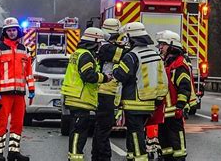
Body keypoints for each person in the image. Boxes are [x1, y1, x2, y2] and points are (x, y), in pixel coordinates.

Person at [112, 22, 168, 161]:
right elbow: (163, 80)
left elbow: (120, 75)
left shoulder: (131, 56)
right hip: (150, 103)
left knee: (135, 134)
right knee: (136, 133)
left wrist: (114, 68)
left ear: (131, 38)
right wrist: (159, 99)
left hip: (133, 103)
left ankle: (140, 158)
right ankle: (132, 157)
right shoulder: (156, 55)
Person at [61, 27, 112, 161]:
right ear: (94, 41)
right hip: (80, 99)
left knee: (77, 130)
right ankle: (75, 157)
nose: (100, 46)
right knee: (79, 131)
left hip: (75, 98)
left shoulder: (78, 53)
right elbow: (88, 75)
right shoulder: (86, 55)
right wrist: (104, 77)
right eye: (99, 43)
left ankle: (74, 156)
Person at [0, 17, 34, 161]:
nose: (11, 33)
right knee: (1, 123)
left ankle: (13, 151)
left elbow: (28, 72)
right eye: (9, 30)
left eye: (13, 30)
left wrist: (32, 89)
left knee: (18, 123)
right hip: (3, 94)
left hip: (20, 93)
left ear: (18, 31)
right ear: (5, 32)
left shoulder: (24, 50)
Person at [155, 30, 195, 161]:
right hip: (164, 113)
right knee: (165, 144)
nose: (160, 47)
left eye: (163, 44)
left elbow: (184, 88)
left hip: (173, 113)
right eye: (160, 44)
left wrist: (180, 107)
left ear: (172, 45)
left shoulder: (179, 65)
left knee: (177, 145)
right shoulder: (167, 63)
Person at [91, 18, 125, 161]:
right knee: (104, 128)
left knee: (100, 128)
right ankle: (103, 157)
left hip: (102, 92)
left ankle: (97, 156)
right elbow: (125, 55)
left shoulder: (103, 46)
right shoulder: (108, 48)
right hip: (106, 93)